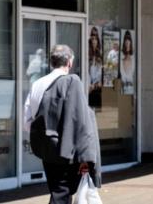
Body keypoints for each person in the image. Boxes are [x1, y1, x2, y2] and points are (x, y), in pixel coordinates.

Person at [24, 45, 101, 204]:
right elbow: (80, 121)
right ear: (70, 62)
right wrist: (87, 157)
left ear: (52, 62)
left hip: (46, 151)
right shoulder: (73, 82)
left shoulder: (38, 84)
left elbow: (27, 121)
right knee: (62, 195)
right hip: (68, 152)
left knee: (58, 192)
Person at [87, 27, 103, 108]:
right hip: (88, 90)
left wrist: (97, 85)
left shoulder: (100, 57)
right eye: (92, 38)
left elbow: (103, 75)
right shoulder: (86, 56)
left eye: (95, 39)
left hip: (98, 90)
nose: (94, 41)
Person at [119, 30, 135, 95]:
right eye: (126, 39)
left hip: (132, 92)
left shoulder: (134, 60)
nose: (127, 42)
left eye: (129, 39)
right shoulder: (120, 60)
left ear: (131, 42)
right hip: (122, 92)